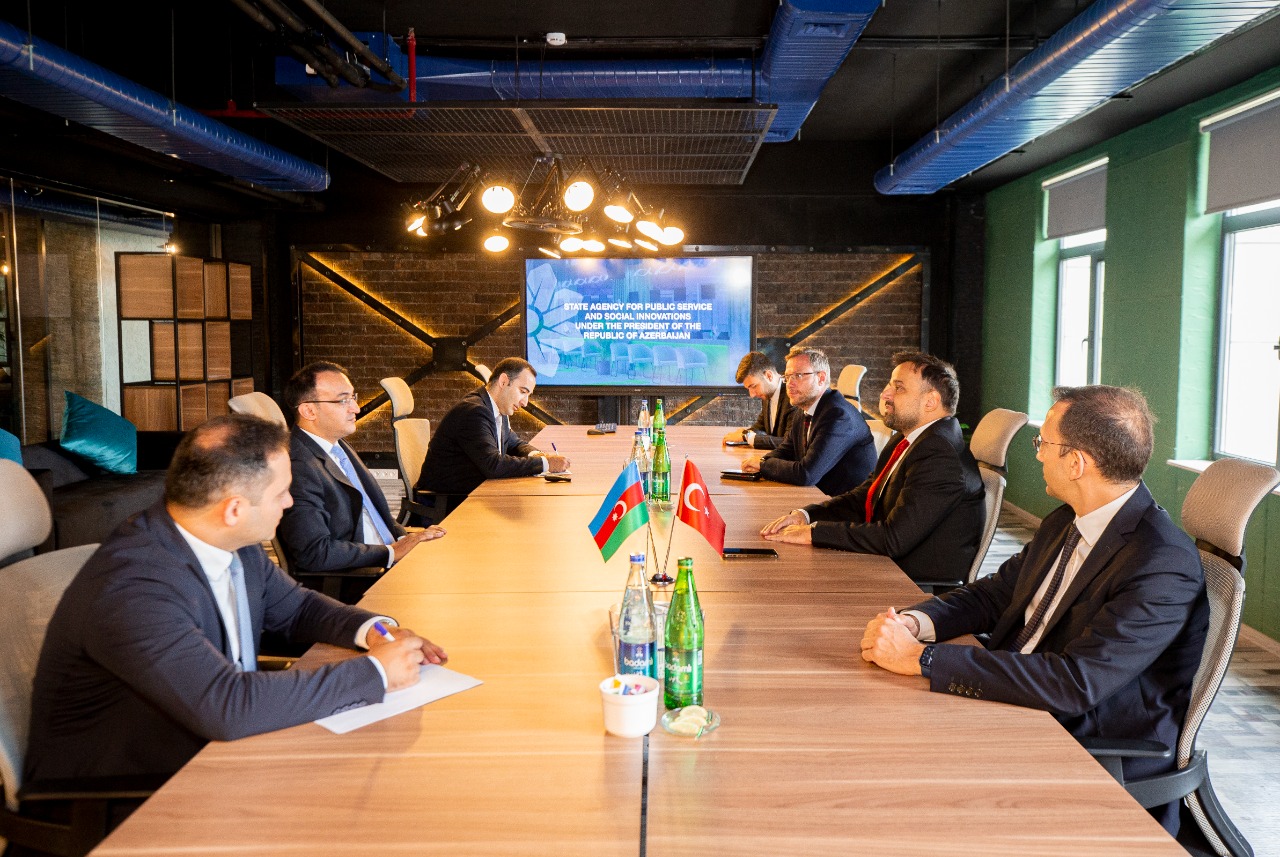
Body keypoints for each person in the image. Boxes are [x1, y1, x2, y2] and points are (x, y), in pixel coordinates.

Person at [25, 414, 447, 785]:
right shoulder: (133, 586)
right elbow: (226, 705)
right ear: (234, 509)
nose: (290, 502)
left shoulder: (228, 539)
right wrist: (376, 673)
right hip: (126, 795)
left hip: (214, 754)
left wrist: (375, 631)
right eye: (281, 493)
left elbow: (297, 608)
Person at [860, 385, 1207, 834]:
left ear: (1077, 463)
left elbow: (1076, 683)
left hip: (1078, 738)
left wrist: (922, 659)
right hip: (1020, 700)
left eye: (1044, 443)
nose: (1038, 454)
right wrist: (916, 622)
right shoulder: (1067, 519)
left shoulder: (1161, 561)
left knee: (892, 779)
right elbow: (995, 594)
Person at [761, 351, 984, 584]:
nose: (885, 394)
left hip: (910, 585)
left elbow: (894, 538)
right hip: (885, 565)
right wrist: (806, 516)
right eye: (889, 385)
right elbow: (865, 497)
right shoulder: (907, 440)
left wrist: (815, 533)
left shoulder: (940, 455)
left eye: (899, 388)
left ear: (931, 401)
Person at [276, 362, 443, 597]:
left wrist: (406, 538)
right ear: (309, 411)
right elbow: (315, 552)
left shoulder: (338, 445)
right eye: (343, 400)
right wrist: (391, 552)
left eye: (352, 397)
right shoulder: (298, 467)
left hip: (387, 563)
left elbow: (376, 515)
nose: (355, 408)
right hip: (360, 581)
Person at [416, 357, 569, 514]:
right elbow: (494, 466)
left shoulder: (496, 409)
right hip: (444, 506)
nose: (525, 402)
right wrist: (545, 464)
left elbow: (514, 443)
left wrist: (538, 455)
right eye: (523, 392)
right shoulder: (474, 411)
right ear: (503, 381)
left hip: (470, 496)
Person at [740, 347, 876, 496]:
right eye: (788, 377)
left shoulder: (838, 415)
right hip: (819, 496)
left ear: (821, 378)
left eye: (798, 375)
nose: (790, 384)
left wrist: (763, 465)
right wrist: (762, 460)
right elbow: (786, 450)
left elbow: (806, 474)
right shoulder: (803, 410)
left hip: (847, 504)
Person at [721, 351, 796, 450]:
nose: (752, 395)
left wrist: (746, 437)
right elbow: (761, 426)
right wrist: (744, 434)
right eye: (748, 389)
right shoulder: (767, 393)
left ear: (769, 376)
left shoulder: (792, 395)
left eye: (754, 386)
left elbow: (789, 443)